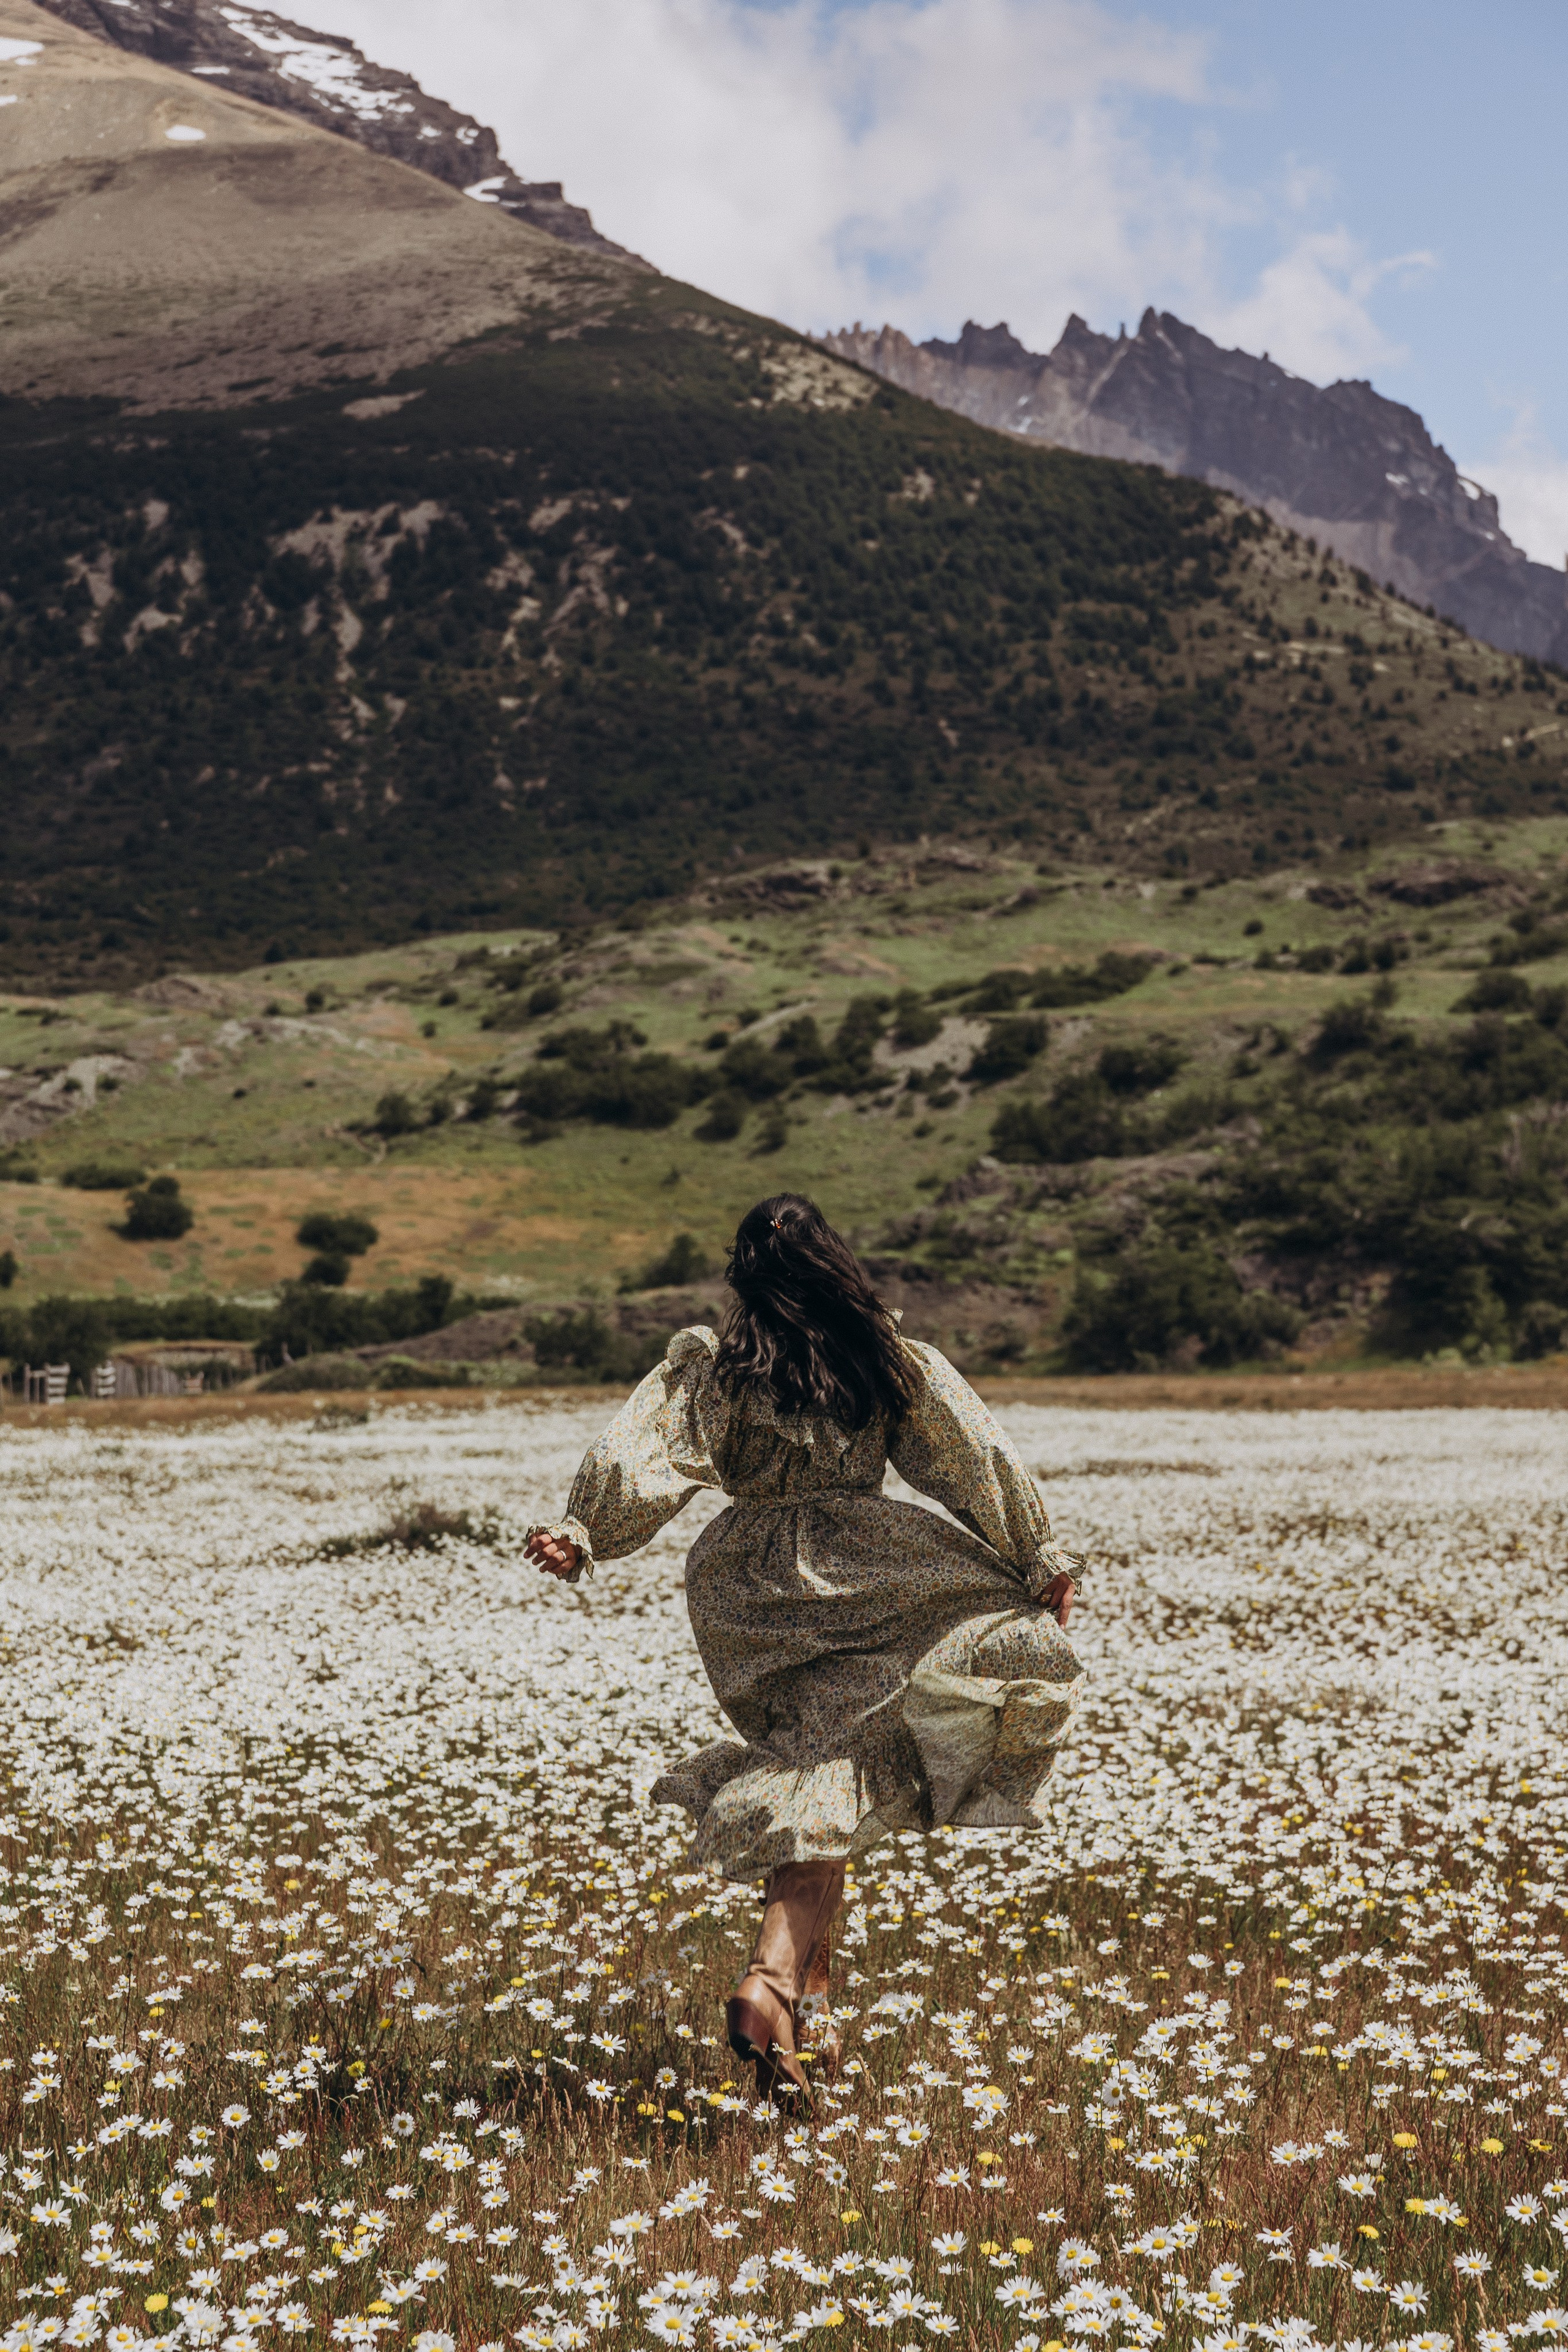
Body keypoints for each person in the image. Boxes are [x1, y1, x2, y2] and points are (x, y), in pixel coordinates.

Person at [525, 1192, 1085, 2100]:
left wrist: (586, 1528)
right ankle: (772, 1981)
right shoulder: (883, 1357)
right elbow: (970, 1455)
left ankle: (811, 2020)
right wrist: (1035, 1555)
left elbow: (651, 1454)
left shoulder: (718, 1368)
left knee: (818, 1777)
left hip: (745, 1584)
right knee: (837, 1778)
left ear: (745, 1276)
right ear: (835, 1263)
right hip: (867, 1569)